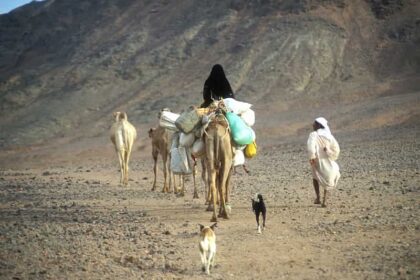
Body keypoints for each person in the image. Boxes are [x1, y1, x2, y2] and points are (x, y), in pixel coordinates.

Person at [307, 117, 340, 207]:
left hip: (317, 160)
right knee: (328, 177)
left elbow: (310, 147)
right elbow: (336, 149)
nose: (313, 125)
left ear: (318, 125)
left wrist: (312, 157)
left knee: (315, 177)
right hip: (328, 160)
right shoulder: (329, 136)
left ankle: (318, 198)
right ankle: (325, 200)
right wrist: (329, 152)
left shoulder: (313, 135)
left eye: (314, 123)